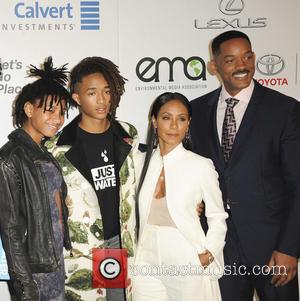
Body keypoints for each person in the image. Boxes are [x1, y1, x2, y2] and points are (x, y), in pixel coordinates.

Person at [190, 30, 300, 301]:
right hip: (219, 248)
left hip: (272, 247)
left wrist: (290, 248)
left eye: (247, 56)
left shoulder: (284, 110)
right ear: (214, 66)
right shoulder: (196, 112)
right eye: (231, 60)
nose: (242, 65)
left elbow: (298, 184)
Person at [45, 56, 139, 301]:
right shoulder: (56, 149)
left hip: (121, 243)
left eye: (107, 91)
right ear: (76, 97)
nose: (102, 100)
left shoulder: (128, 135)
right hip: (82, 251)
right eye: (92, 93)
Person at [132, 92, 227, 301]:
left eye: (181, 119)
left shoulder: (201, 165)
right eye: (166, 118)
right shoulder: (138, 162)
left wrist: (209, 253)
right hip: (145, 256)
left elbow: (218, 216)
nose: (174, 126)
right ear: (154, 121)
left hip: (185, 254)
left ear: (188, 123)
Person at [0, 57, 72, 301]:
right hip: (33, 272)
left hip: (54, 263)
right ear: (29, 110)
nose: (58, 118)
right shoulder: (10, 158)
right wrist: (24, 286)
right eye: (50, 110)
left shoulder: (43, 153)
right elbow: (10, 229)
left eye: (62, 112)